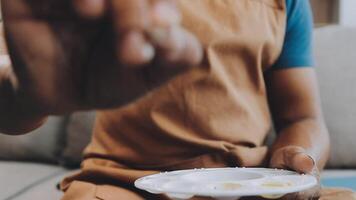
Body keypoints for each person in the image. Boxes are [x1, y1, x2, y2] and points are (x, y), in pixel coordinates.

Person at [0, 0, 337, 199]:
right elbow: (11, 104)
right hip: (121, 184)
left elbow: (302, 118)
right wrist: (30, 95)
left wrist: (299, 164)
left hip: (246, 185)